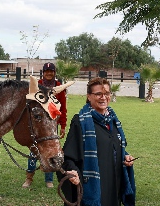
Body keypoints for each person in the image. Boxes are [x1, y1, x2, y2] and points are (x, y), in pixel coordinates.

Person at [57, 77, 136, 206]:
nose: (103, 97)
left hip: (113, 186)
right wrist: (72, 171)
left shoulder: (113, 121)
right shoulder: (81, 122)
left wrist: (125, 156)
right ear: (89, 96)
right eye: (98, 94)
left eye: (106, 94)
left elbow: (112, 146)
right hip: (93, 188)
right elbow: (68, 157)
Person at [22, 62, 67, 188]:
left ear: (54, 72)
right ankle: (29, 177)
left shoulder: (59, 87)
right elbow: (29, 105)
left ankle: (49, 179)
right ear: (43, 72)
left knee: (51, 151)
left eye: (51, 71)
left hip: (52, 125)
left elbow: (63, 108)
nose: (49, 73)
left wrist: (62, 125)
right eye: (47, 71)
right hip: (39, 124)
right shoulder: (37, 85)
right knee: (34, 150)